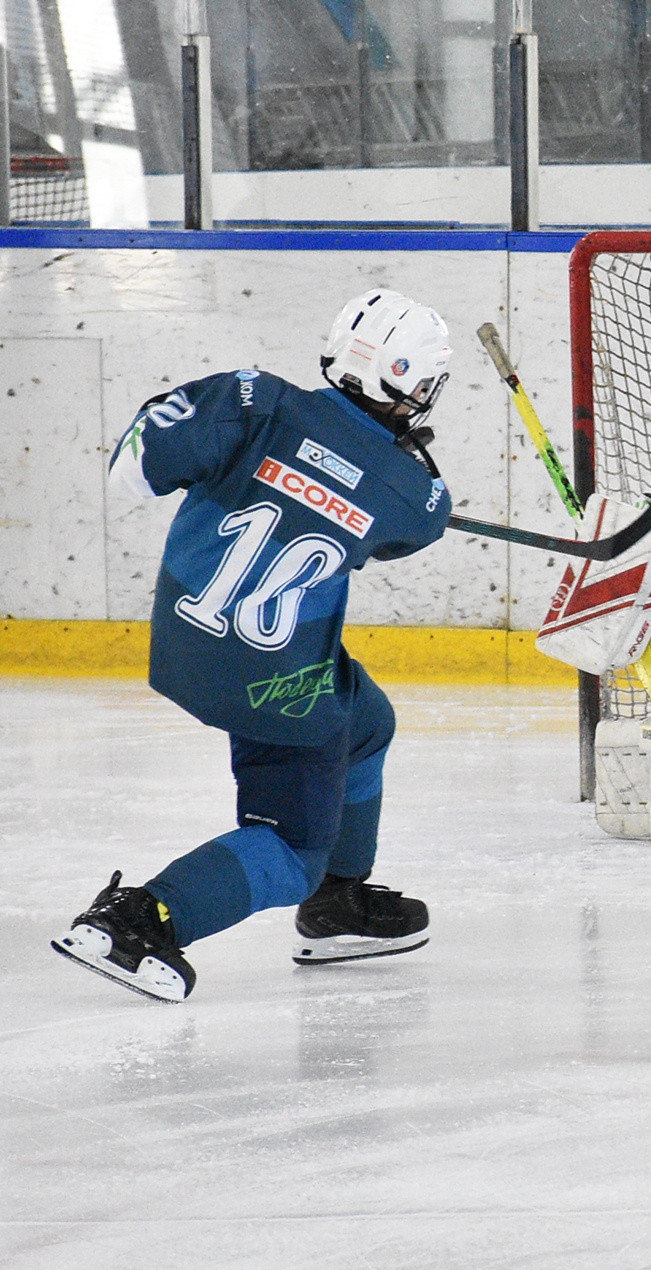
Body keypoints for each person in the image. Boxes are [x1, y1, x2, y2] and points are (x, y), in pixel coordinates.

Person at [51, 289, 455, 1002]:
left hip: (187, 643)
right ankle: (142, 917)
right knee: (290, 849)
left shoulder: (255, 400)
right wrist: (381, 462)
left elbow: (133, 469)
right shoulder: (405, 487)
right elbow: (416, 524)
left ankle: (340, 905)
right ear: (406, 382)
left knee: (366, 724)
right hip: (279, 681)